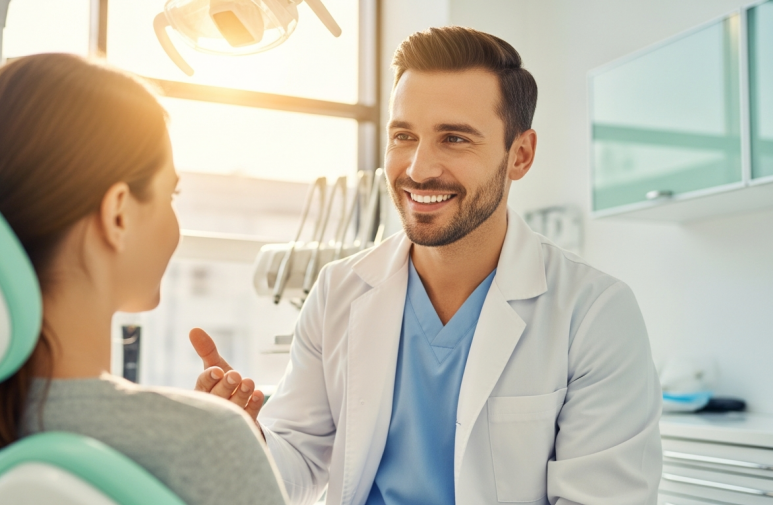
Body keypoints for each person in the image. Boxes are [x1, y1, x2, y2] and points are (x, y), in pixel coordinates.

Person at [191, 26, 663, 504]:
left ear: (520, 155)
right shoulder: (339, 290)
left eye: (454, 138)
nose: (418, 168)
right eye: (403, 136)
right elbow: (300, 463)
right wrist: (246, 440)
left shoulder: (595, 313)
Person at [0, 53, 287, 505]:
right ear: (118, 213)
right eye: (170, 194)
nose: (174, 222)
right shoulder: (204, 442)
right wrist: (219, 440)